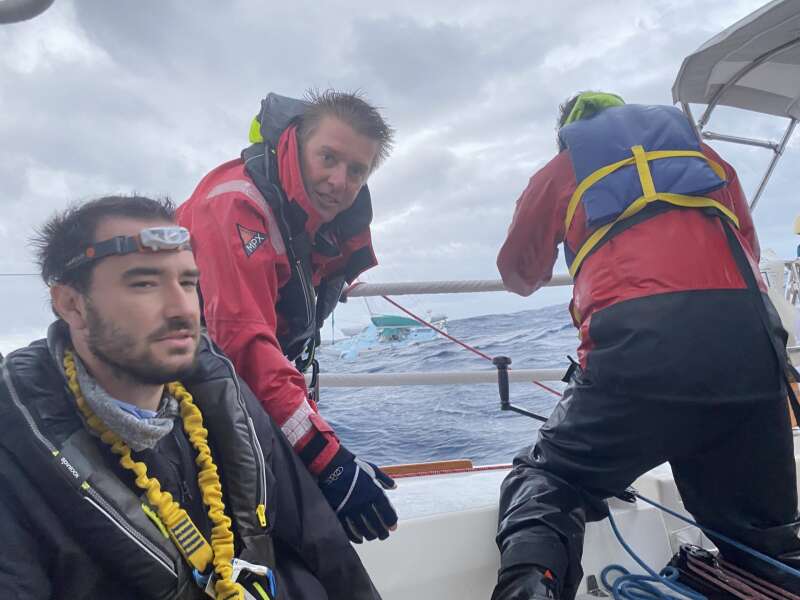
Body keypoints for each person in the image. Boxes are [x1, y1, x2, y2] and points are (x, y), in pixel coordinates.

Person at [492, 92, 800, 600]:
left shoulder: (563, 169)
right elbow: (746, 244)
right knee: (764, 541)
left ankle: (530, 587)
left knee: (548, 477)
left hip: (641, 349)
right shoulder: (707, 159)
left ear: (569, 131)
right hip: (751, 347)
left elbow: (519, 275)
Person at [0, 195, 382, 599]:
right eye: (144, 283)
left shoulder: (221, 392)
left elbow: (318, 536)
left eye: (187, 282)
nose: (182, 308)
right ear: (72, 305)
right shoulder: (16, 456)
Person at [178, 90, 397, 544]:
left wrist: (332, 458)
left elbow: (279, 361)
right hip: (185, 414)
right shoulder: (236, 206)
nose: (339, 181)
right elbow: (242, 348)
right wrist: (328, 462)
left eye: (356, 170)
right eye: (328, 158)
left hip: (237, 403)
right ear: (295, 145)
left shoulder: (310, 225)